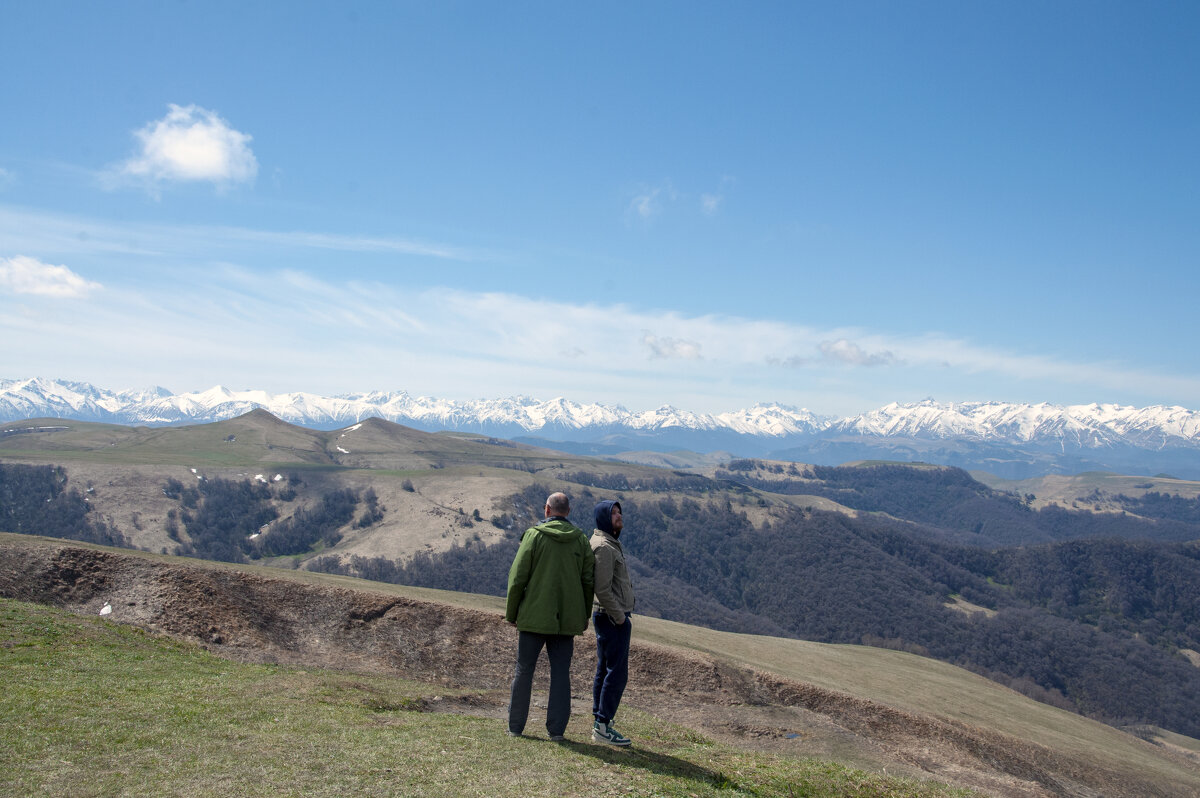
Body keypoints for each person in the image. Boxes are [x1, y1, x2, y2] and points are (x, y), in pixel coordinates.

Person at [505, 491, 595, 741]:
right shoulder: (580, 541)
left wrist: (511, 613)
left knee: (524, 669)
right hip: (565, 621)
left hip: (533, 616)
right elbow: (588, 581)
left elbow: (517, 578)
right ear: (568, 512)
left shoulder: (534, 536)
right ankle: (556, 731)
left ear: (547, 510)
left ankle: (515, 727)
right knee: (560, 672)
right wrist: (583, 616)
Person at [589, 499, 635, 746]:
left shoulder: (608, 543)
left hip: (609, 617)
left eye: (619, 512)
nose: (619, 516)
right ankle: (603, 725)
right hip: (611, 618)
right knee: (616, 673)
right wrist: (620, 617)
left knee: (605, 670)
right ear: (604, 518)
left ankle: (600, 722)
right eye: (613, 513)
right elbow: (602, 588)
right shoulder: (605, 548)